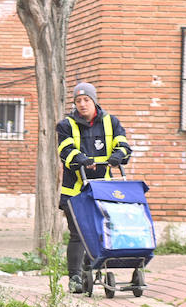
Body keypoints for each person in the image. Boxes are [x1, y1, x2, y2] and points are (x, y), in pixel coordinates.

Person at [56, 82, 132, 292]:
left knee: (100, 232)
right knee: (78, 234)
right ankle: (75, 278)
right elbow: (65, 150)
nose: (82, 104)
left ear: (94, 100)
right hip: (75, 191)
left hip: (102, 190)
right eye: (78, 101)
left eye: (86, 100)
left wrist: (119, 156)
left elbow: (124, 145)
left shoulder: (111, 122)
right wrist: (80, 159)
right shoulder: (66, 125)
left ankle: (90, 271)